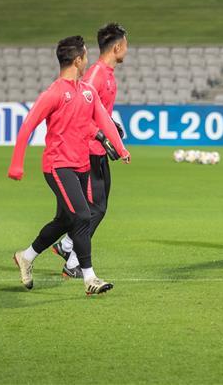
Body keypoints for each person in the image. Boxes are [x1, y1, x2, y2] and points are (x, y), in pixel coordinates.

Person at [8, 36, 129, 296]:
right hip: (57, 166)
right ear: (77, 60)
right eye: (85, 56)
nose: (87, 59)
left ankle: (26, 256)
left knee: (64, 220)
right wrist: (16, 164)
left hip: (80, 165)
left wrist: (120, 147)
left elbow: (102, 121)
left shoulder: (86, 92)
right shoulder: (54, 93)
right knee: (83, 216)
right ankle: (89, 277)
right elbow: (28, 125)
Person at [51, 23, 128, 278]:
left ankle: (67, 246)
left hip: (99, 150)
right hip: (89, 151)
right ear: (117, 46)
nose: (127, 49)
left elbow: (99, 111)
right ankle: (72, 259)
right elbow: (82, 109)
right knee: (93, 210)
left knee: (98, 208)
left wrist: (113, 129)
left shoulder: (106, 74)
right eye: (125, 44)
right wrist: (101, 136)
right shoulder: (95, 74)